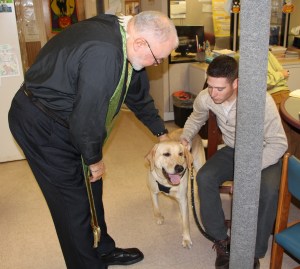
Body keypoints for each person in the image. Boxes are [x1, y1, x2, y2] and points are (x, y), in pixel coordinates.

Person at [8, 11, 178, 269]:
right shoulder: (105, 53)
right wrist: (94, 159)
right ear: (140, 43)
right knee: (72, 204)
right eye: (158, 58)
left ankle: (102, 249)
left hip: (69, 119)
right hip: (41, 122)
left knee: (92, 188)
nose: (157, 64)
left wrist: (161, 132)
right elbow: (87, 120)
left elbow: (136, 92)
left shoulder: (127, 37)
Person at [180, 55, 288, 269]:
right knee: (205, 177)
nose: (213, 93)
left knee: (268, 191)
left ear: (236, 83)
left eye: (220, 88)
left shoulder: (260, 101)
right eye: (210, 86)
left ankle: (253, 251)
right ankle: (221, 240)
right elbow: (196, 117)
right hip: (233, 150)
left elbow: (279, 143)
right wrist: (186, 136)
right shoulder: (206, 96)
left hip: (263, 152)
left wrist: (246, 173)